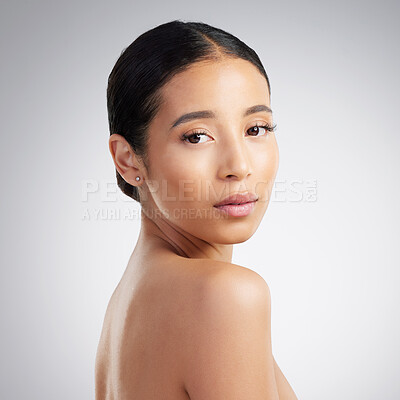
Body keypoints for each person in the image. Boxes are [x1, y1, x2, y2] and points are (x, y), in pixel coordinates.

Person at [95, 19, 298, 400]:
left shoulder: (129, 302)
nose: (238, 165)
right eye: (197, 136)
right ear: (128, 160)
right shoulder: (221, 296)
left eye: (256, 129)